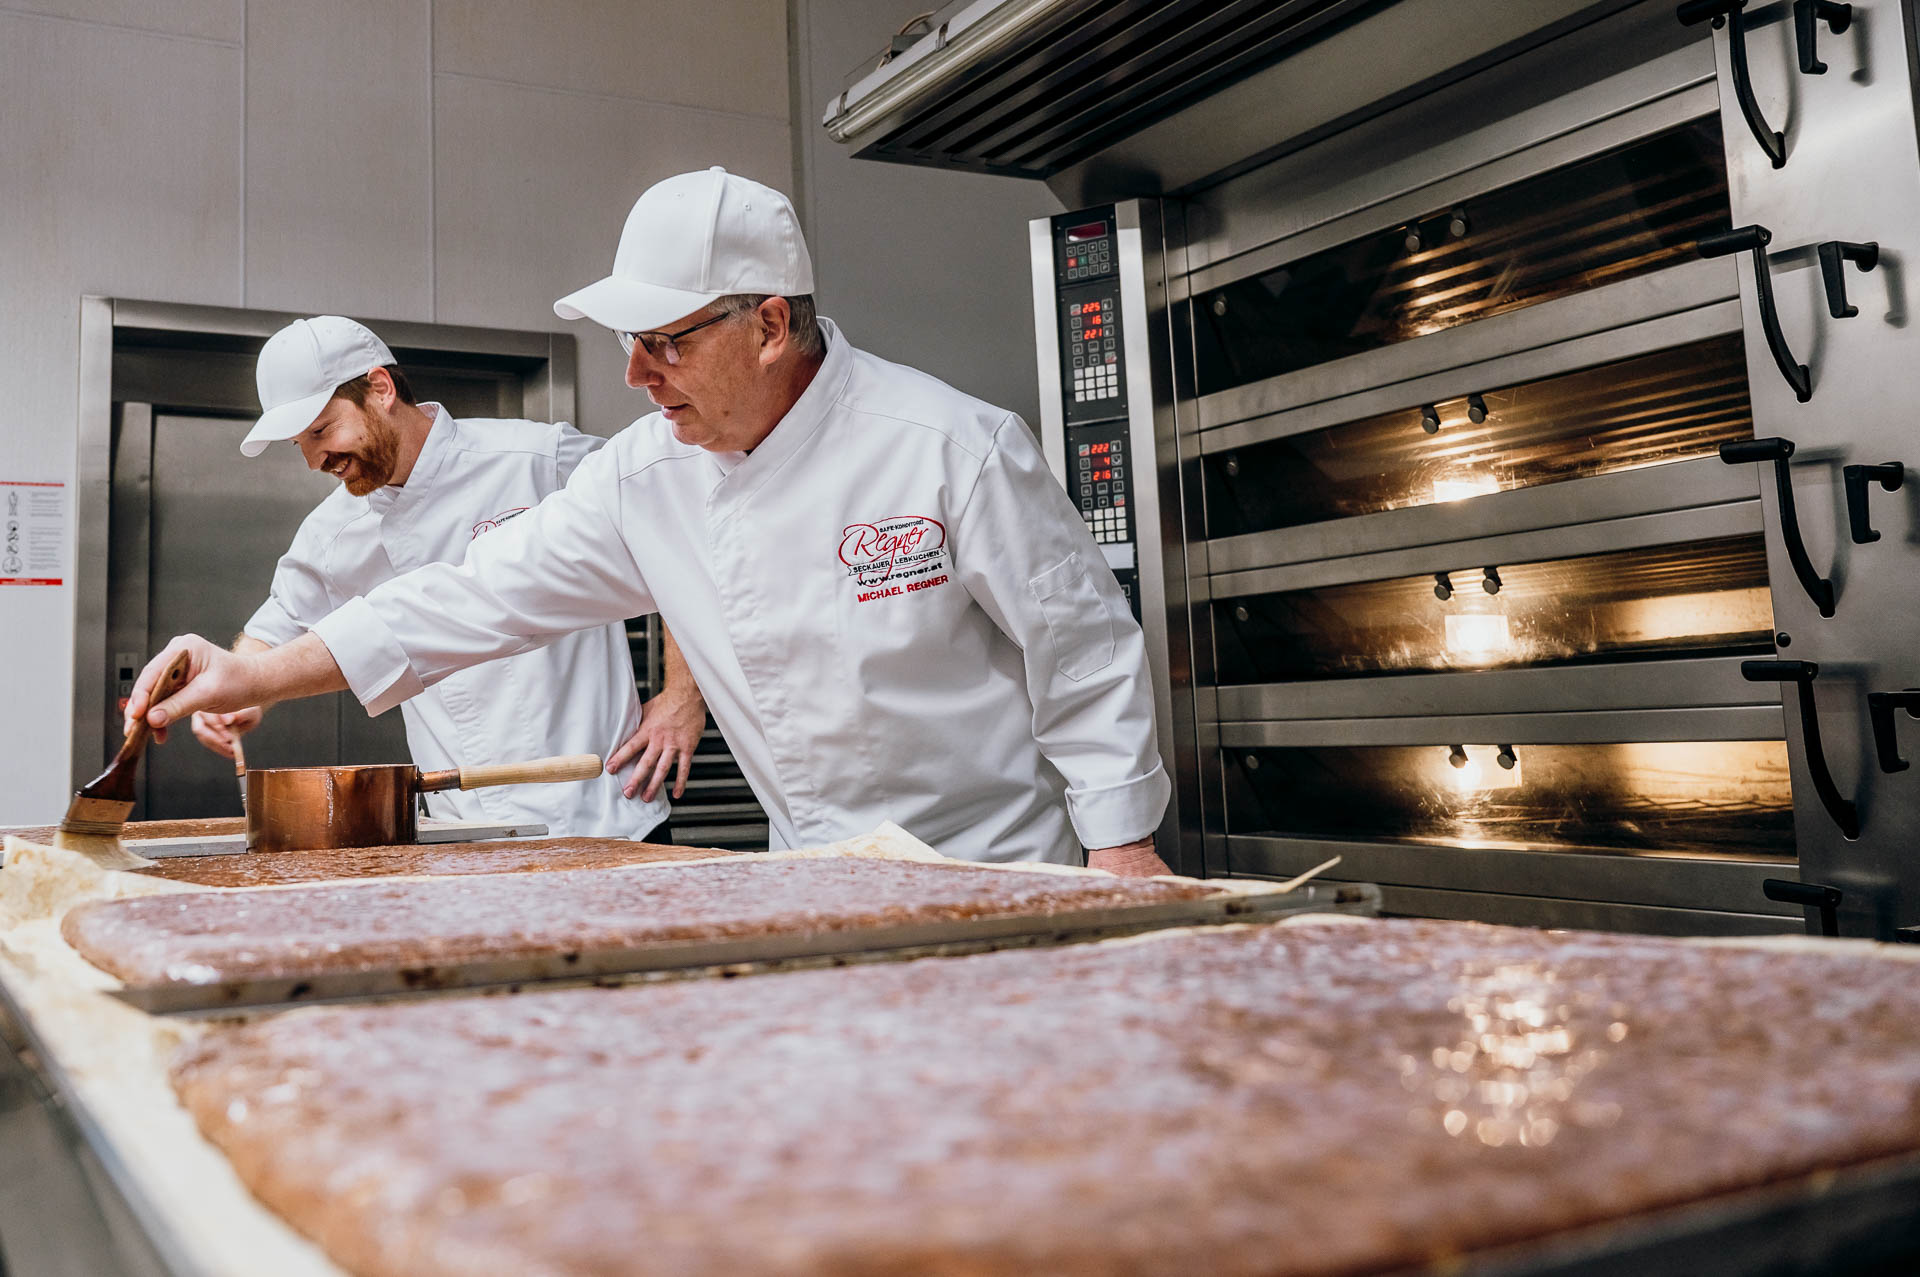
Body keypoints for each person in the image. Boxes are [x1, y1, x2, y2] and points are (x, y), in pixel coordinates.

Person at [129, 168, 1173, 875]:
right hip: (808, 870)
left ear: (768, 325)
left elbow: (1079, 650)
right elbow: (476, 593)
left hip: (992, 865)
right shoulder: (645, 477)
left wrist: (1122, 844)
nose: (632, 375)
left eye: (661, 343)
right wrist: (254, 672)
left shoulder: (950, 446)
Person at [186, 314, 705, 839]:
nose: (316, 459)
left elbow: (676, 527)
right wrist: (239, 690)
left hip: (608, 811)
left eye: (322, 430)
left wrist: (685, 691)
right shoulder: (332, 534)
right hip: (465, 834)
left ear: (381, 389)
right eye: (299, 443)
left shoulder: (537, 458)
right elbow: (274, 632)